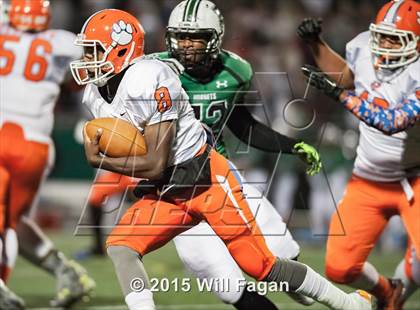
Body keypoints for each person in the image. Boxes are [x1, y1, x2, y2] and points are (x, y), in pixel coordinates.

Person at [72, 8, 372, 310]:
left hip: (205, 179)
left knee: (262, 266)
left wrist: (101, 159)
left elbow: (154, 162)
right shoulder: (94, 94)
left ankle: (349, 305)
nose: (87, 59)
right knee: (122, 248)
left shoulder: (150, 77)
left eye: (93, 50)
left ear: (122, 49)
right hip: (167, 190)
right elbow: (137, 151)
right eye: (85, 51)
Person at [297, 0, 420, 308]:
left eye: (396, 39)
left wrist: (340, 96)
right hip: (368, 178)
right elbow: (348, 77)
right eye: (382, 35)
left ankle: (407, 275)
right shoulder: (363, 48)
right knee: (339, 267)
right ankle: (385, 290)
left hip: (415, 180)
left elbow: (392, 121)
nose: (386, 44)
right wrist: (316, 44)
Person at [0, 0, 95, 308]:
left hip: (3, 135)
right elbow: (100, 52)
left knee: (6, 221)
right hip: (36, 145)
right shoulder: (61, 41)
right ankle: (66, 272)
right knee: (11, 221)